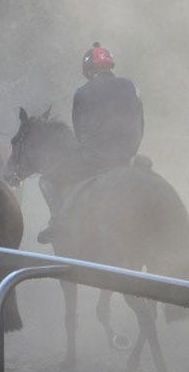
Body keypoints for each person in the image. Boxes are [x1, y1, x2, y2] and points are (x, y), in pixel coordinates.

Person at [36, 41, 144, 244]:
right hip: (130, 156)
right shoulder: (130, 86)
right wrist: (130, 151)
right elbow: (141, 123)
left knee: (46, 180)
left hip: (97, 159)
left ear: (88, 69)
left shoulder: (82, 92)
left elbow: (80, 133)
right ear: (110, 65)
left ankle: (58, 223)